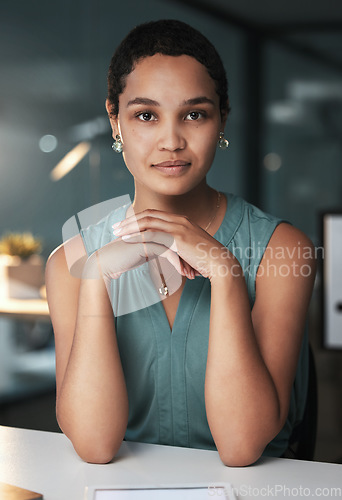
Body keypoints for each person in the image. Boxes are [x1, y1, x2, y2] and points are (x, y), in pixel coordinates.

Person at [45, 19, 316, 466]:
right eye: (146, 115)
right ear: (115, 120)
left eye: (194, 114)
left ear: (221, 118)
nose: (171, 141)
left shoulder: (283, 249)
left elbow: (242, 446)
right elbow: (95, 446)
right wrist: (94, 277)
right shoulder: (70, 262)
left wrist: (226, 273)